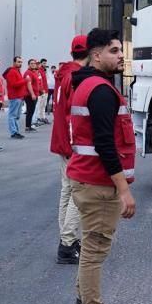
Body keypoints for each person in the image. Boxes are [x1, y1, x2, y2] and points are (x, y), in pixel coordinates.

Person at [67, 28, 135, 304]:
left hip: (87, 179)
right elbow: (106, 145)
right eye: (113, 50)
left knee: (90, 249)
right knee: (94, 252)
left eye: (120, 50)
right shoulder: (102, 92)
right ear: (96, 56)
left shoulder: (87, 84)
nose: (120, 55)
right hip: (97, 183)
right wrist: (124, 189)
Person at [51, 35, 88, 264]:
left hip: (62, 141)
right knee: (78, 193)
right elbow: (73, 116)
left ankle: (67, 240)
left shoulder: (63, 73)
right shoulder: (76, 77)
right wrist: (78, 146)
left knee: (67, 192)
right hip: (72, 144)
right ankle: (67, 243)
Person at [4, 56, 27, 140]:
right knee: (13, 115)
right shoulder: (12, 72)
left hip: (19, 97)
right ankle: (14, 132)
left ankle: (16, 131)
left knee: (16, 116)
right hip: (15, 96)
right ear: (14, 62)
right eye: (18, 62)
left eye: (21, 62)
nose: (20, 63)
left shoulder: (16, 71)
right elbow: (14, 84)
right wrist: (25, 80)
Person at [23, 59, 41, 132]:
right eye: (31, 63)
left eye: (34, 63)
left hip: (34, 95)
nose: (33, 64)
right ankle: (27, 127)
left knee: (31, 111)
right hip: (29, 95)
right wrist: (32, 94)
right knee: (30, 111)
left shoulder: (33, 72)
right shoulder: (28, 73)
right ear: (28, 65)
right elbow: (28, 84)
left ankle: (29, 126)